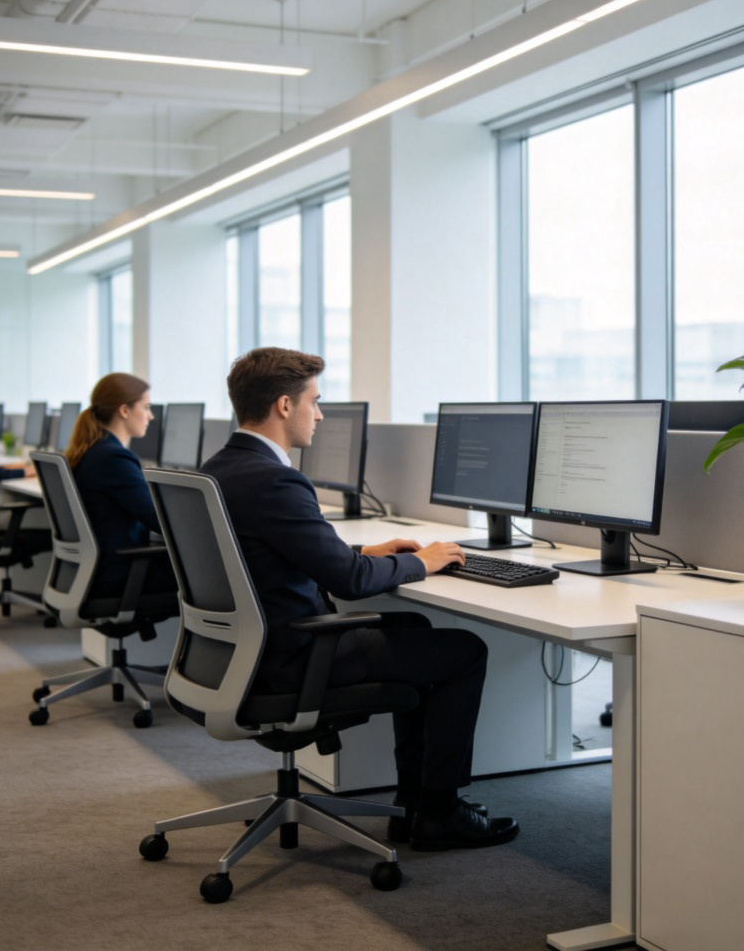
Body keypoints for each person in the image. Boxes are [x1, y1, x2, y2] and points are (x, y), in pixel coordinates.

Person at [202, 347, 519, 851]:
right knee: (463, 652)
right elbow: (349, 582)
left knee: (415, 630)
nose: (320, 414)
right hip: (291, 659)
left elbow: (272, 549)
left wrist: (364, 550)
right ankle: (437, 812)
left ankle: (415, 806)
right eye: (315, 401)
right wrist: (424, 560)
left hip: (242, 653)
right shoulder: (275, 478)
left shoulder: (221, 468)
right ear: (285, 406)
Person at [65, 373, 176, 598]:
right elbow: (160, 520)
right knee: (216, 575)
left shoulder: (94, 450)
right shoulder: (113, 459)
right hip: (121, 575)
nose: (151, 416)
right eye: (146, 407)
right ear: (124, 410)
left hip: (101, 570)